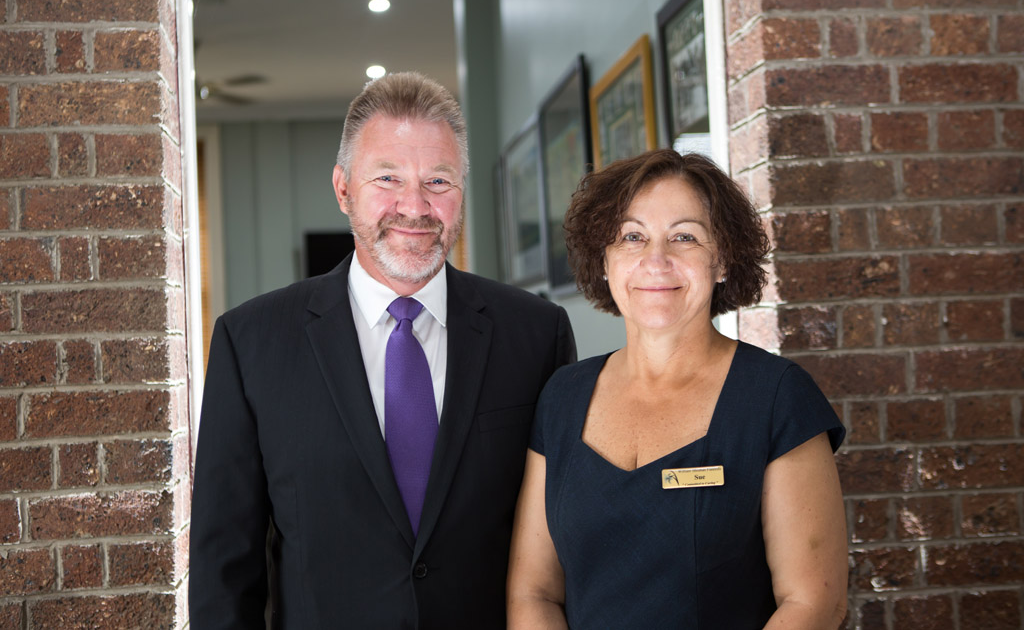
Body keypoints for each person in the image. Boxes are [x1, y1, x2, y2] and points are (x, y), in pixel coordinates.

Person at [190, 72, 576, 629]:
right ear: (343, 188)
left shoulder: (537, 334)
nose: (414, 206)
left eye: (438, 181)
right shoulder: (250, 341)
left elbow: (567, 538)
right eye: (388, 178)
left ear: (461, 191)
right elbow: (223, 567)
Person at [507, 149, 847, 629]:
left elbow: (813, 603)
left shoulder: (777, 399)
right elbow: (533, 593)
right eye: (632, 237)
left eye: (684, 236)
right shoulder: (562, 397)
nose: (656, 259)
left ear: (722, 260)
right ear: (604, 261)